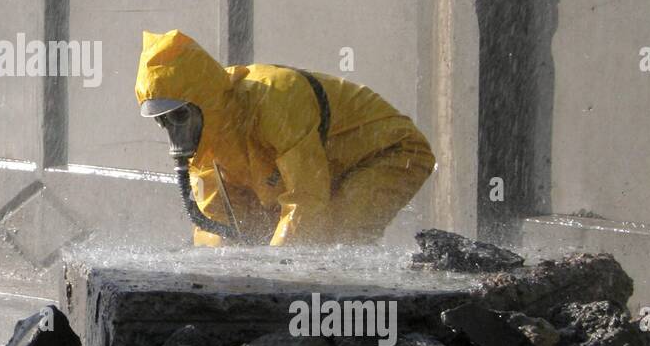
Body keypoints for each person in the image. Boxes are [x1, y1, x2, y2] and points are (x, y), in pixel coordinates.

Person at [135, 29, 435, 247]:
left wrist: (273, 273)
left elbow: (306, 197)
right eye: (162, 121)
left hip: (388, 151)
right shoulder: (207, 143)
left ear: (202, 100)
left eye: (178, 116)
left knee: (336, 238)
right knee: (253, 237)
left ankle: (355, 324)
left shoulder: (277, 98)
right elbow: (218, 224)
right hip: (324, 169)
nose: (173, 131)